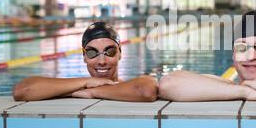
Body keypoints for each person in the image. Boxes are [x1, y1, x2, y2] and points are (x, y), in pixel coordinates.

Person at [13, 22, 157, 102]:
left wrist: (92, 92)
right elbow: (22, 90)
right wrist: (85, 82)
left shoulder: (129, 86)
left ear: (120, 53)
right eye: (92, 52)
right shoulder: (77, 86)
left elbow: (146, 90)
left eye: (110, 52)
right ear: (84, 56)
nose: (102, 61)